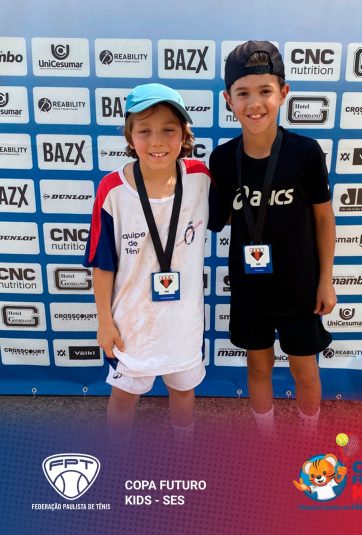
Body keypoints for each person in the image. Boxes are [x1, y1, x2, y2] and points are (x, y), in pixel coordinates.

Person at [208, 41, 336, 436]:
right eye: (243, 93)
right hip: (250, 287)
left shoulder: (305, 152)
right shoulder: (222, 159)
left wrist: (326, 280)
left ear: (283, 93)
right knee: (258, 366)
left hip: (300, 287)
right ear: (228, 100)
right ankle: (266, 439)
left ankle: (308, 437)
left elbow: (323, 218)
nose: (254, 103)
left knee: (305, 369)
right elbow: (218, 217)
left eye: (265, 91)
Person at [83, 83, 210, 444]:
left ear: (184, 134)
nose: (157, 141)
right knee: (124, 397)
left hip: (183, 324)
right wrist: (104, 322)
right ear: (130, 135)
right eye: (144, 131)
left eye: (168, 129)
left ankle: (184, 450)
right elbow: (103, 263)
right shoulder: (112, 189)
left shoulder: (200, 178)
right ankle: (117, 454)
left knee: (183, 393)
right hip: (131, 324)